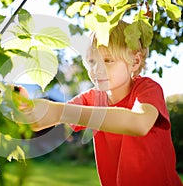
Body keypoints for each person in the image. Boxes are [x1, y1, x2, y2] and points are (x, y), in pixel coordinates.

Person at [16, 20, 183, 185]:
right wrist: (24, 107)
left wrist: (60, 111)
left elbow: (139, 123)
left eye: (108, 60)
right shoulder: (90, 99)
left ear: (135, 61)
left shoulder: (147, 89)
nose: (97, 69)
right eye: (92, 61)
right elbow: (43, 120)